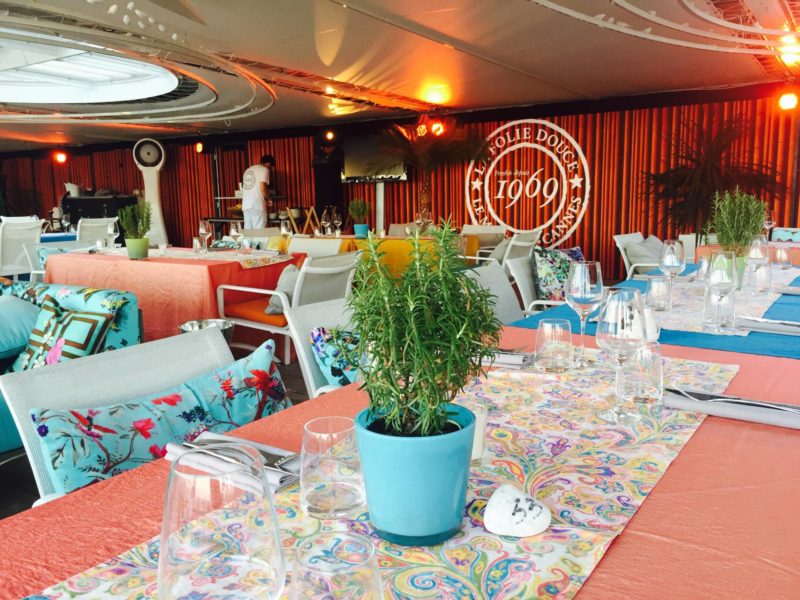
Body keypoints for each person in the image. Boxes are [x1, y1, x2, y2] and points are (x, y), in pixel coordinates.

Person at [241, 155, 275, 228]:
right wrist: (269, 198)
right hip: (257, 206)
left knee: (248, 232)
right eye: (271, 167)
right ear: (269, 164)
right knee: (259, 233)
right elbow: (262, 188)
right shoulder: (264, 170)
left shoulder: (247, 170)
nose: (270, 169)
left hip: (246, 206)